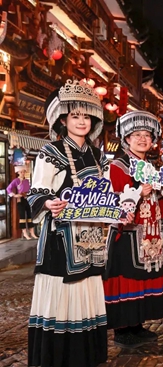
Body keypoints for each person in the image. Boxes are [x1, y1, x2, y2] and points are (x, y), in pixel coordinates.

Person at [27, 79, 109, 366]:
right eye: (75, 115)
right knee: (62, 295)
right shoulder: (51, 153)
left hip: (92, 239)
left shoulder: (100, 157)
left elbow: (107, 194)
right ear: (63, 119)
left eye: (86, 115)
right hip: (60, 241)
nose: (82, 121)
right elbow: (36, 191)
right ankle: (58, 358)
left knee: (87, 291)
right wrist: (49, 202)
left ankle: (86, 355)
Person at [102, 111, 163, 348]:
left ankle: (137, 325)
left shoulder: (151, 166)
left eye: (147, 135)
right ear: (126, 138)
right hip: (128, 233)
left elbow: (158, 199)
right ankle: (123, 328)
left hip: (149, 231)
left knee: (143, 278)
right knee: (127, 277)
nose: (142, 139)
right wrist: (140, 191)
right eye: (137, 135)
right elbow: (112, 198)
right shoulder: (118, 166)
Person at [7, 165, 38, 240]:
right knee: (22, 217)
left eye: (24, 172)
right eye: (21, 172)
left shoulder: (27, 181)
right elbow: (8, 188)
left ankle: (32, 232)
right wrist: (14, 195)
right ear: (18, 172)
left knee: (30, 215)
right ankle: (24, 233)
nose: (23, 173)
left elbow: (30, 189)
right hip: (20, 199)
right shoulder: (16, 181)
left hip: (27, 199)